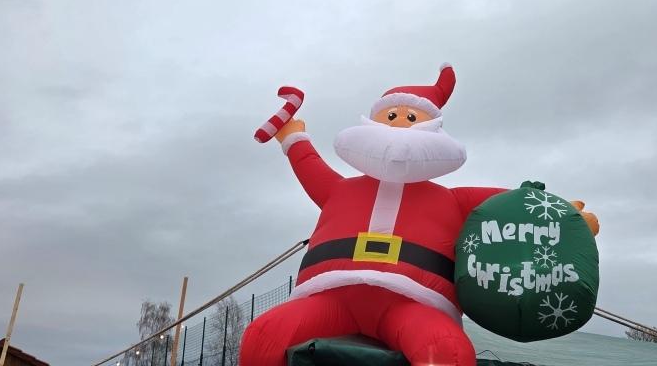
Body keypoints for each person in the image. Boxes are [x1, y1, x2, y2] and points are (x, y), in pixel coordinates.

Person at [240, 64, 599, 366]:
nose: (399, 124)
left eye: (411, 117)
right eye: (391, 116)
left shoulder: (453, 200)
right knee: (264, 337)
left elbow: (513, 208)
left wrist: (563, 218)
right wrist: (293, 138)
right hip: (331, 295)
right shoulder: (340, 190)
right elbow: (310, 166)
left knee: (445, 352)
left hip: (413, 303)